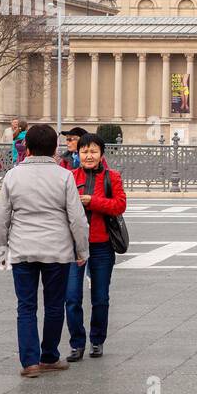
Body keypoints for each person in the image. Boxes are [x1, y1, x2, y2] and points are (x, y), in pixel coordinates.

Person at [0, 124, 89, 378]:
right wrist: (82, 251)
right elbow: (77, 219)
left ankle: (29, 362)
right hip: (57, 250)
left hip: (23, 249)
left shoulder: (12, 176)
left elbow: (2, 218)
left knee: (25, 306)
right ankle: (49, 356)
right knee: (55, 305)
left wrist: (1, 252)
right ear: (53, 148)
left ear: (28, 147)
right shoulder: (64, 176)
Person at [65, 133, 127, 361]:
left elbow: (119, 205)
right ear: (77, 153)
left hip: (101, 246)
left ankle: (97, 340)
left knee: (100, 297)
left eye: (93, 151)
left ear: (101, 154)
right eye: (84, 151)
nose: (88, 156)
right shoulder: (69, 177)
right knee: (71, 297)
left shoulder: (112, 177)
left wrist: (93, 201)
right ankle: (76, 343)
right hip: (73, 247)